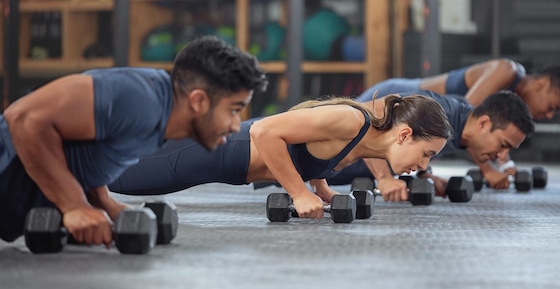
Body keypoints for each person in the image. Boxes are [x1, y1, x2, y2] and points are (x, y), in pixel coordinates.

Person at [0, 35, 268, 246]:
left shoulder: (160, 119)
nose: (236, 125)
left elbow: (86, 149)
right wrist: (74, 205)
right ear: (198, 101)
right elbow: (23, 118)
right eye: (234, 110)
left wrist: (104, 202)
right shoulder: (140, 98)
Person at [108, 95, 453, 219]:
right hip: (211, 150)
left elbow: (315, 151)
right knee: (113, 178)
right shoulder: (354, 121)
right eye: (425, 155)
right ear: (405, 134)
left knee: (106, 176)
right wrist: (299, 193)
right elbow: (264, 131)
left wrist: (321, 190)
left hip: (221, 163)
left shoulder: (365, 141)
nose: (422, 167)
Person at [358, 57, 560, 187]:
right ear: (542, 85)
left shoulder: (508, 107)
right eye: (552, 107)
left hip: (422, 116)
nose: (549, 115)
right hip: (397, 99)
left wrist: (506, 167)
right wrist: (488, 170)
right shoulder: (506, 71)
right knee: (348, 136)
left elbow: (487, 132)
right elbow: (467, 120)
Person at [327, 90, 535, 202]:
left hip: (333, 173)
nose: (501, 155)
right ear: (484, 123)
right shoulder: (440, 110)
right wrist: (384, 178)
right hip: (326, 159)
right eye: (502, 144)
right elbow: (369, 116)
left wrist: (425, 174)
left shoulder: (460, 125)